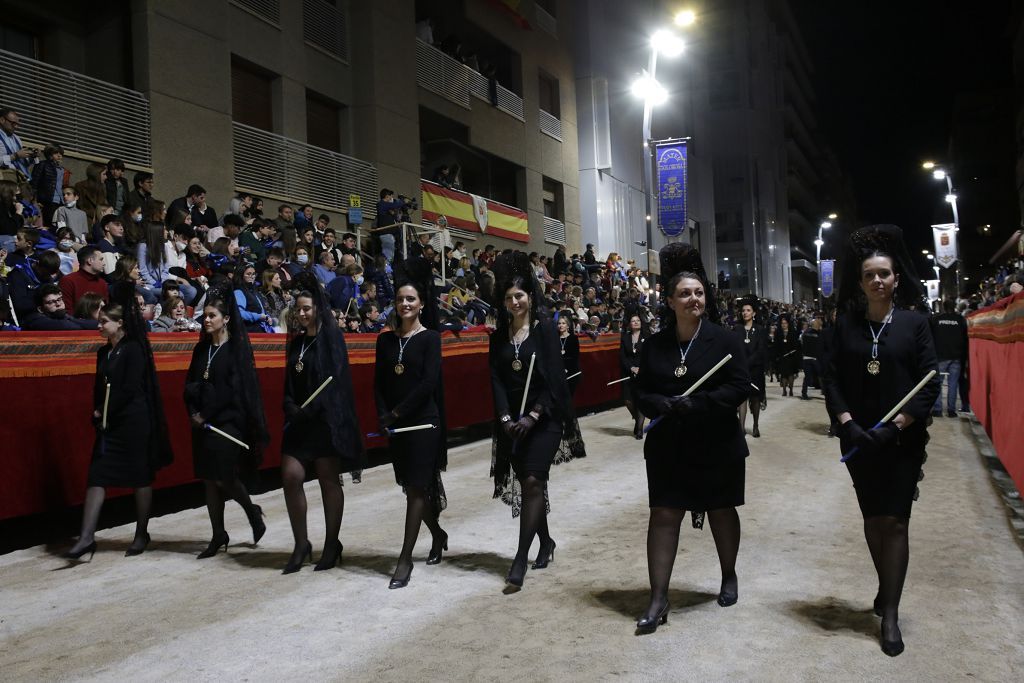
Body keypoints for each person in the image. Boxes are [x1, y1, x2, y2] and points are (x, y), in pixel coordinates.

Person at [822, 224, 940, 657]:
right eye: (869, 274)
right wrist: (848, 423)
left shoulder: (916, 324)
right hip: (857, 439)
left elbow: (928, 384)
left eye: (884, 274)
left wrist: (896, 427)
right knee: (873, 519)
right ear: (860, 280)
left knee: (895, 521)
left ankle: (890, 612)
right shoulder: (845, 323)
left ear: (896, 280)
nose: (877, 280)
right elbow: (831, 377)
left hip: (900, 440)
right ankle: (885, 586)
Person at [632, 243, 749, 634]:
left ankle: (728, 574)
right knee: (664, 515)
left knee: (721, 509)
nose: (693, 298)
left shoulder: (726, 341)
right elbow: (641, 392)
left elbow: (739, 388)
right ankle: (658, 597)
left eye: (698, 292)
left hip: (716, 442)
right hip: (669, 447)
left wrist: (698, 404)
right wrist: (662, 404)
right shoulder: (654, 345)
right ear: (670, 300)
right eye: (684, 293)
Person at [488, 252, 581, 590]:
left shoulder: (543, 333)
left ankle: (519, 559)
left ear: (530, 297)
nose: (514, 302)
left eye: (520, 296)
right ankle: (546, 541)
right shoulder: (497, 338)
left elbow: (554, 381)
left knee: (530, 482)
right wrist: (505, 418)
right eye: (509, 297)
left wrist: (532, 416)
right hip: (511, 422)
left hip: (544, 420)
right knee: (533, 487)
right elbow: (496, 380)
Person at [63, 283, 173, 560]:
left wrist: (106, 412)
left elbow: (130, 388)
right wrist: (97, 411)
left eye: (104, 322)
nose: (99, 325)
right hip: (108, 424)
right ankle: (87, 536)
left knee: (140, 477)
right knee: (97, 476)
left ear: (120, 323)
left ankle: (141, 532)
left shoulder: (134, 348)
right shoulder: (103, 352)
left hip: (133, 422)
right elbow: (99, 389)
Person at [372, 257, 449, 588]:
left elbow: (428, 383)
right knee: (410, 488)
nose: (405, 304)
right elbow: (378, 384)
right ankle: (437, 533)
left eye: (411, 299)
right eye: (401, 299)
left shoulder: (430, 338)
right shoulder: (385, 340)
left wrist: (398, 412)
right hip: (395, 425)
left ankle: (404, 560)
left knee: (417, 488)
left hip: (423, 424)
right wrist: (384, 415)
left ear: (420, 304)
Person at [280, 274, 365, 573]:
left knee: (329, 480)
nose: (302, 314)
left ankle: (332, 543)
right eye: (298, 309)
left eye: (307, 308)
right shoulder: (297, 344)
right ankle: (301, 543)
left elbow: (335, 382)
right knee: (290, 476)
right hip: (298, 423)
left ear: (317, 309)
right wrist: (290, 404)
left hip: (324, 423)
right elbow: (290, 381)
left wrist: (311, 409)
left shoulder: (331, 340)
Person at [184, 290, 269, 559]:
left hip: (228, 421)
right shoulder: (201, 348)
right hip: (202, 423)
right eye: (205, 315)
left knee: (224, 476)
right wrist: (193, 411)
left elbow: (231, 391)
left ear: (226, 319)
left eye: (212, 315)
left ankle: (251, 511)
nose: (206, 320)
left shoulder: (235, 350)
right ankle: (218, 533)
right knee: (209, 479)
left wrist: (205, 413)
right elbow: (190, 384)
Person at [732, 297, 767, 437]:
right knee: (741, 399)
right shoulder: (737, 328)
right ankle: (741, 429)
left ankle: (755, 425)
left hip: (755, 370)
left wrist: (747, 363)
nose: (745, 313)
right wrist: (741, 364)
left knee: (755, 399)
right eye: (743, 310)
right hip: (740, 370)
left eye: (748, 310)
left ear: (754, 313)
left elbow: (761, 351)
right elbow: (734, 348)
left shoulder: (760, 330)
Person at [930, 299, 969, 417]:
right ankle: (951, 410)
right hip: (956, 356)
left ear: (943, 306)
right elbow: (965, 337)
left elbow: (931, 337)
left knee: (938, 383)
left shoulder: (936, 319)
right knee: (953, 383)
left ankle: (937, 409)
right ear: (955, 306)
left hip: (940, 355)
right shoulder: (961, 320)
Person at [620, 312, 649, 439]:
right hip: (628, 373)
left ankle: (639, 429)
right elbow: (622, 356)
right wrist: (631, 368)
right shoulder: (625, 337)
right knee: (628, 401)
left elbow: (650, 355)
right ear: (629, 324)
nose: (636, 322)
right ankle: (638, 420)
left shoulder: (647, 337)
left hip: (643, 373)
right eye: (633, 321)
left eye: (638, 320)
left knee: (640, 400)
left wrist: (640, 368)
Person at [21, 283, 97, 330]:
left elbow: (96, 324)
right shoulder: (35, 320)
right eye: (51, 302)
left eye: (59, 299)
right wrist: (82, 324)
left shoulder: (64, 316)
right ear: (40, 309)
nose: (58, 304)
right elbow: (65, 325)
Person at [59, 245, 109, 312]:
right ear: (90, 261)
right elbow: (67, 311)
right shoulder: (68, 281)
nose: (104, 263)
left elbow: (106, 310)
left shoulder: (102, 283)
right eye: (101, 259)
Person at [233, 263, 274, 333]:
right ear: (241, 275)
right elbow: (240, 313)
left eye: (253, 274)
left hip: (260, 329)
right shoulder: (239, 292)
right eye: (248, 274)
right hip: (249, 332)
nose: (252, 276)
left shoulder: (254, 290)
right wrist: (259, 317)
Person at [773, 315, 801, 396]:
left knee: (791, 374)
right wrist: (777, 356)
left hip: (791, 357)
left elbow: (796, 345)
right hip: (782, 357)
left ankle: (791, 390)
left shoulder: (793, 332)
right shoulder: (778, 333)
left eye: (785, 323)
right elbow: (776, 345)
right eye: (782, 323)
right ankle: (784, 390)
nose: (783, 325)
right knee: (783, 374)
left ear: (788, 324)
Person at [800, 315, 824, 400]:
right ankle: (825, 392)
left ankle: (804, 393)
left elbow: (802, 344)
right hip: (815, 358)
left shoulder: (806, 332)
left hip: (806, 358)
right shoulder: (820, 333)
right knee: (821, 375)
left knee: (807, 377)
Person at [557, 313, 580, 395]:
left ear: (568, 326)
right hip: (558, 373)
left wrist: (567, 369)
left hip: (571, 373)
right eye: (559, 323)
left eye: (563, 323)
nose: (561, 325)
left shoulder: (573, 338)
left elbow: (575, 356)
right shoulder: (555, 339)